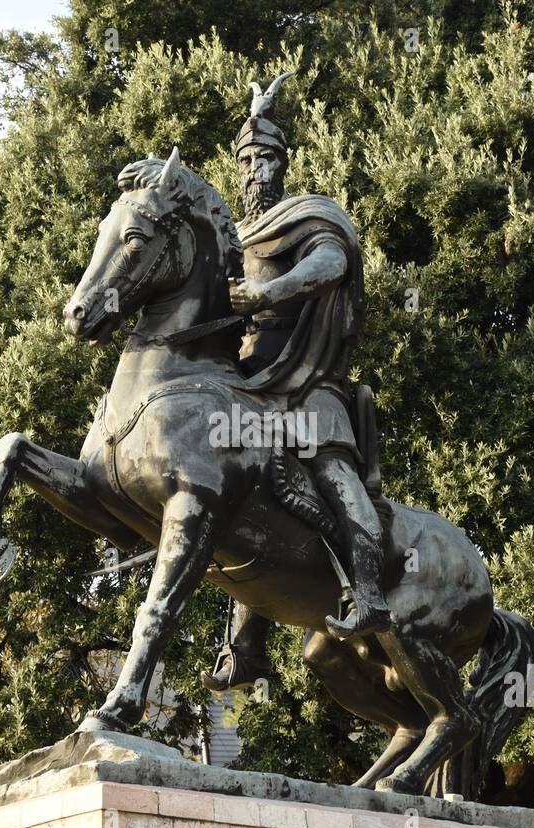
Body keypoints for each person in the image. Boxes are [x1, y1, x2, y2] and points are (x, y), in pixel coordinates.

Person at [202, 73, 391, 691]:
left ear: (283, 165)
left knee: (334, 476)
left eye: (266, 160)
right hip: (249, 380)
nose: (256, 171)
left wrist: (267, 291)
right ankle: (244, 645)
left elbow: (331, 263)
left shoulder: (307, 216)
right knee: (226, 489)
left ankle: (368, 592)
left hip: (309, 380)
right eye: (248, 160)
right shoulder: (231, 237)